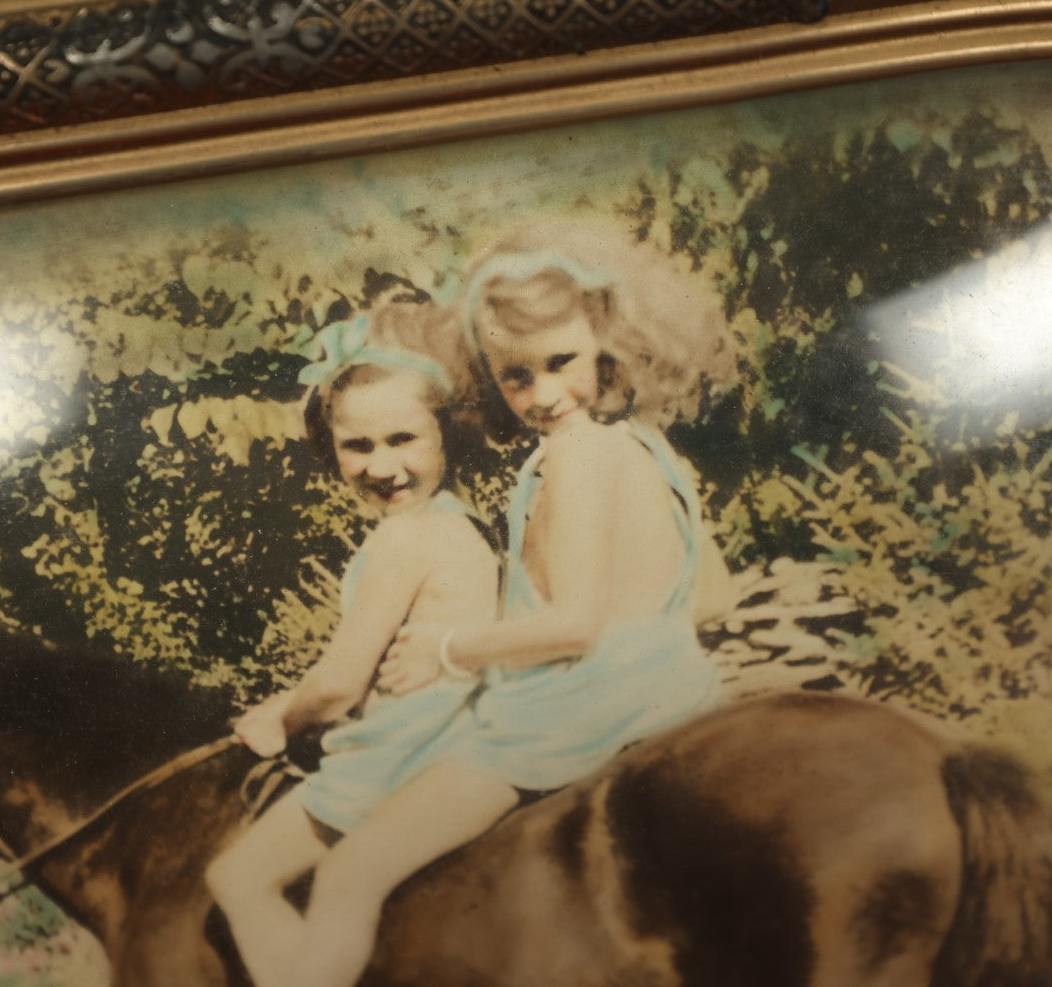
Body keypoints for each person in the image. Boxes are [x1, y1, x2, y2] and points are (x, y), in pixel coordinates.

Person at [277, 220, 735, 987]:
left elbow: (573, 625)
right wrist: (642, 642)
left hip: (572, 716)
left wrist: (447, 652)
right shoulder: (646, 445)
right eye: (515, 377)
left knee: (350, 872)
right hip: (676, 689)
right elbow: (710, 596)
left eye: (561, 363)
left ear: (608, 342)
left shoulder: (576, 454)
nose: (542, 395)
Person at [206, 299, 499, 987]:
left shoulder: (405, 537)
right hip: (455, 732)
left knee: (238, 877)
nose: (381, 466)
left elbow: (339, 686)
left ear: (445, 437)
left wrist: (282, 720)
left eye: (402, 440)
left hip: (409, 749)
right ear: (329, 448)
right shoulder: (458, 522)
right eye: (357, 447)